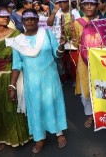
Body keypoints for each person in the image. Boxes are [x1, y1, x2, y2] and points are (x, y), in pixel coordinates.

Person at [8, 9, 68, 153]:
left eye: (32, 19)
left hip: (50, 78)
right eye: (26, 19)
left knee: (53, 104)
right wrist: (12, 86)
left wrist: (61, 47)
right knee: (35, 108)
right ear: (22, 22)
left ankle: (59, 133)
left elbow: (57, 54)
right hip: (32, 83)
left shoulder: (46, 34)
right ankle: (39, 137)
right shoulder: (18, 42)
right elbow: (16, 65)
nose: (29, 21)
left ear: (37, 21)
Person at [0, 8, 30, 151]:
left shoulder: (16, 33)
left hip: (14, 72)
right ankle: (2, 137)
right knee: (0, 106)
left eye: (7, 16)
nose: (5, 18)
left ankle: (21, 135)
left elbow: (24, 52)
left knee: (16, 104)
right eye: (1, 16)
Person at [71, 0, 103, 129]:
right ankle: (90, 114)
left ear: (97, 6)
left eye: (92, 4)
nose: (89, 7)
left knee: (101, 86)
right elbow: (75, 43)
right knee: (86, 87)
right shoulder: (77, 23)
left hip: (101, 60)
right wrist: (71, 35)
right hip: (83, 60)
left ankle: (102, 113)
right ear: (82, 7)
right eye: (86, 4)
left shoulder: (103, 21)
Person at [47, 0, 80, 84]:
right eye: (60, 2)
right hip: (58, 41)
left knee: (73, 61)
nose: (62, 4)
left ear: (68, 2)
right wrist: (53, 12)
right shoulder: (56, 12)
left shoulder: (75, 12)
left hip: (71, 42)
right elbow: (49, 23)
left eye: (65, 1)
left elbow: (79, 26)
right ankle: (63, 79)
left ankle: (75, 79)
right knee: (60, 62)